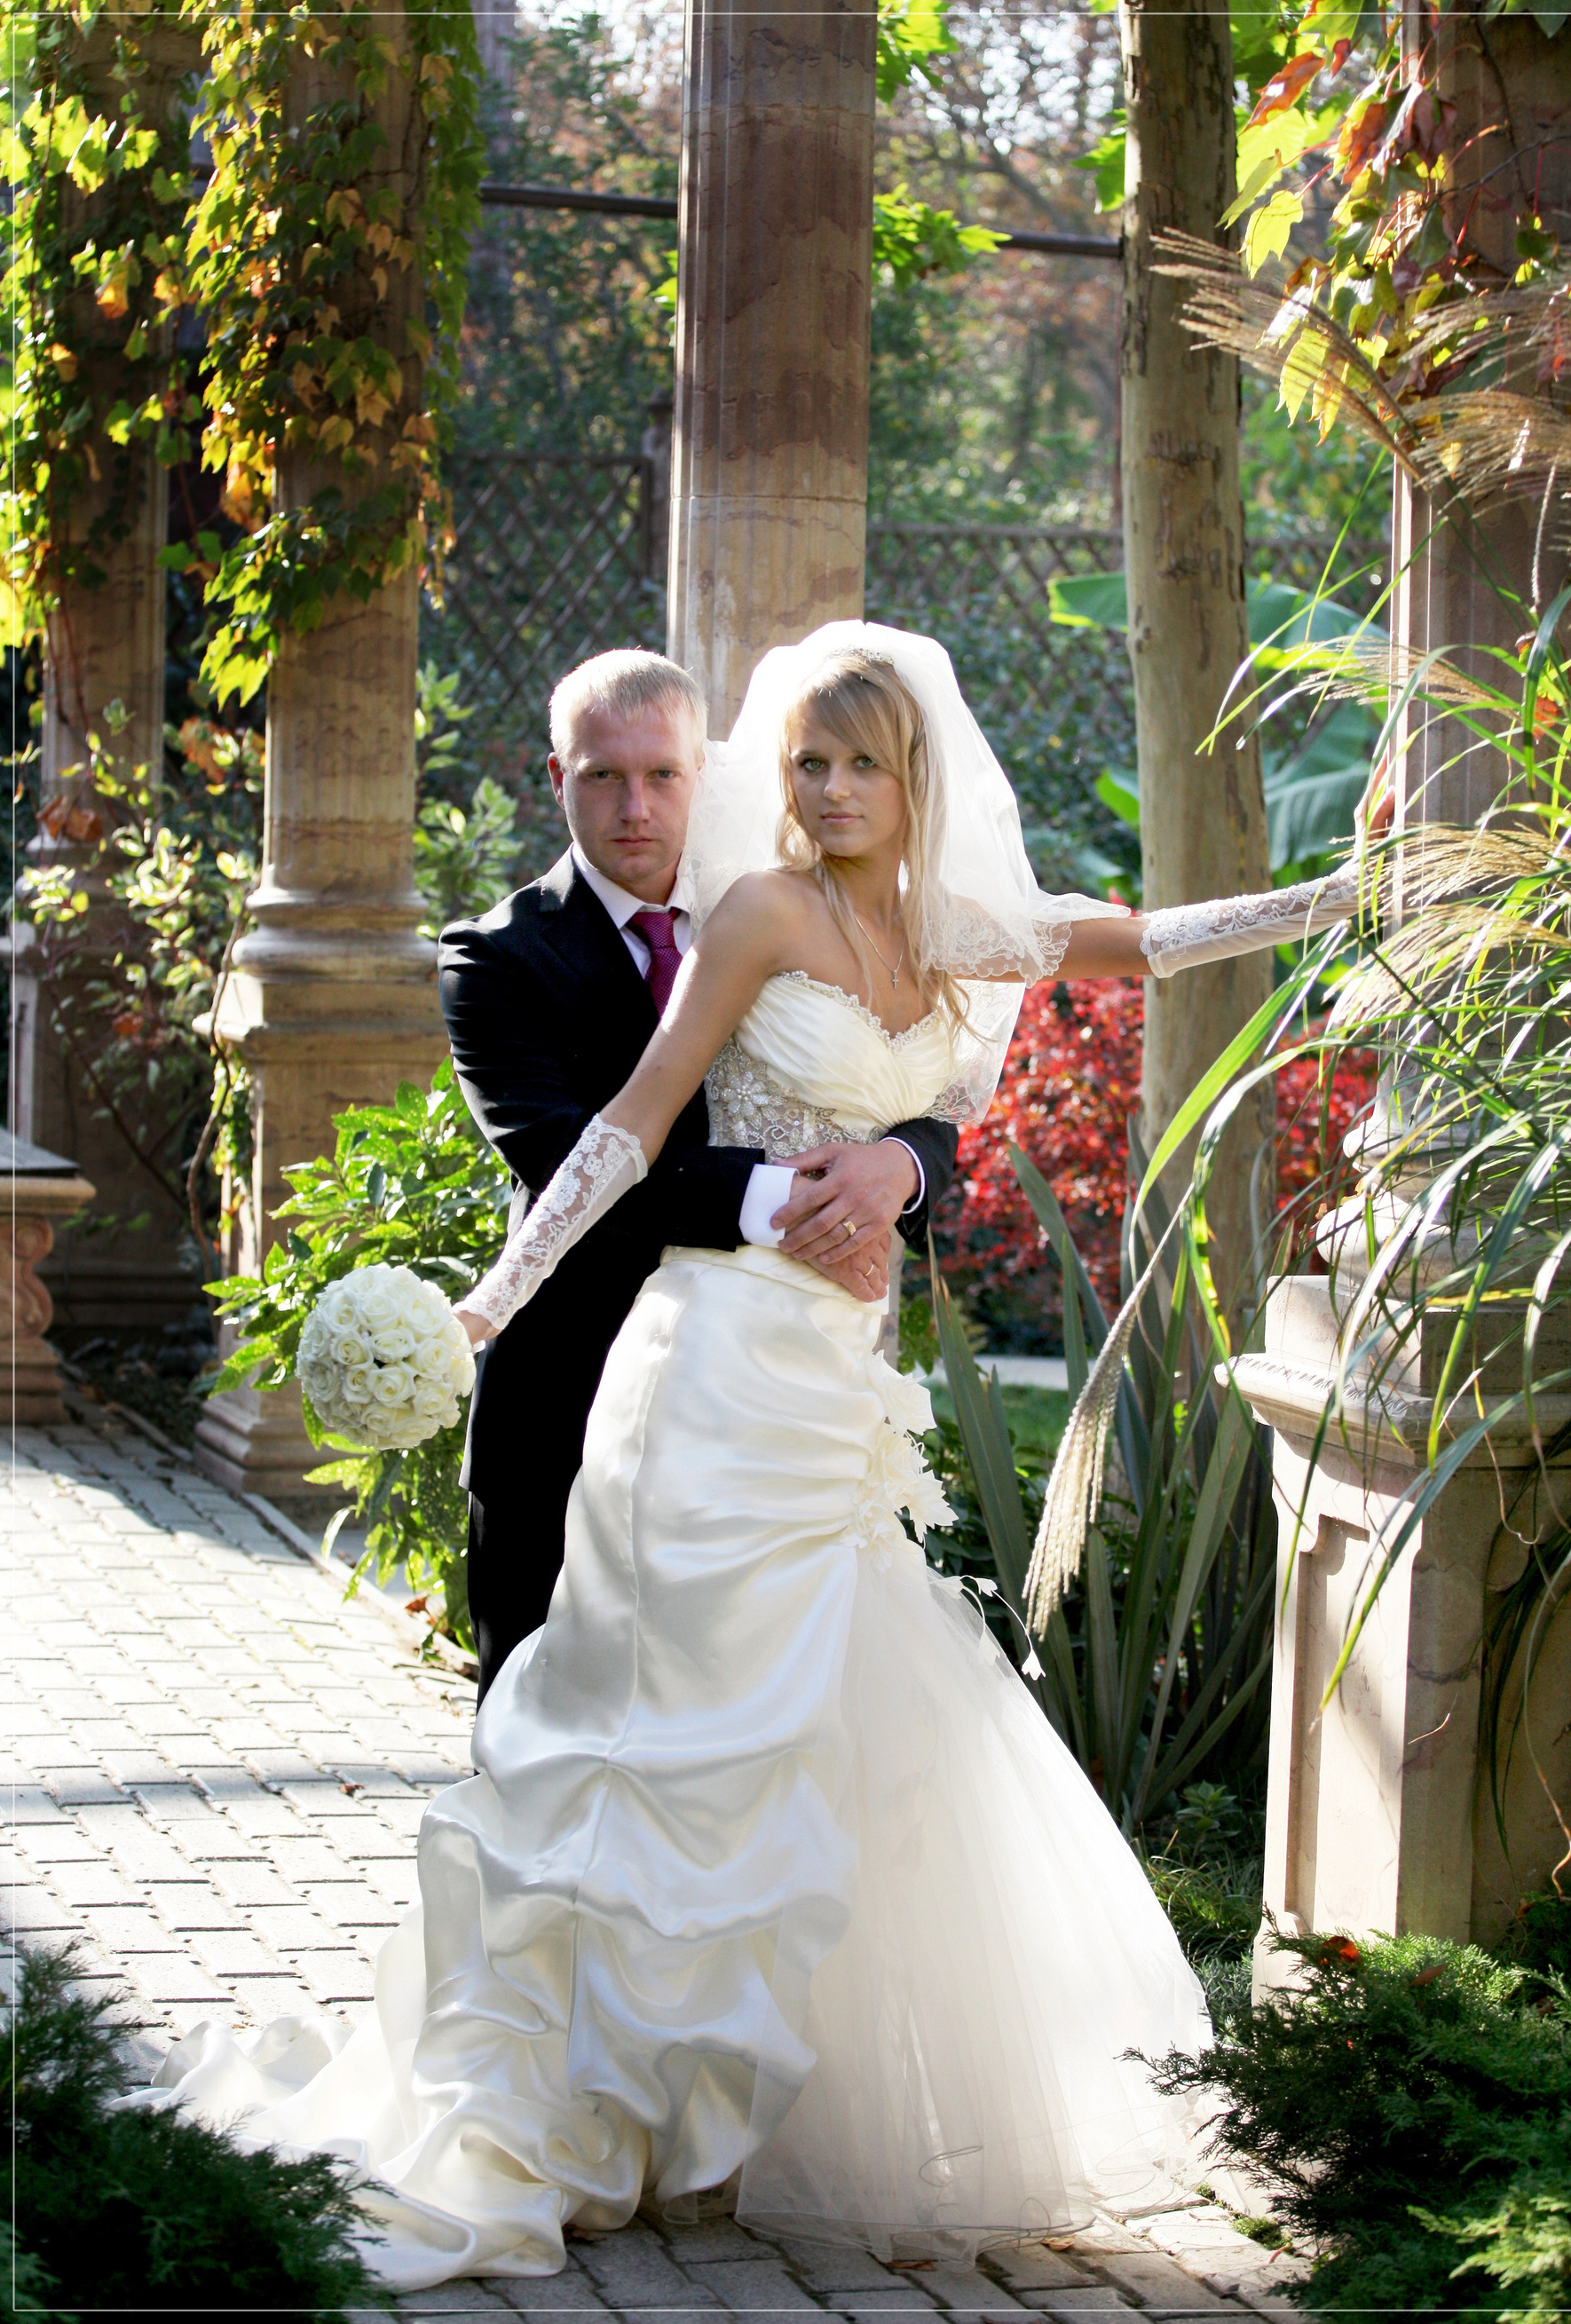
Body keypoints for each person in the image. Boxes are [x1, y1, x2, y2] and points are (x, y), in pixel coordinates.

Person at [146, 625, 1370, 2288]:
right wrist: (490, 1302)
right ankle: (585, 2099)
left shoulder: (949, 931)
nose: (833, 789)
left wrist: (1341, 893)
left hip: (837, 1393)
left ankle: (745, 2123)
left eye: (864, 763)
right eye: (808, 762)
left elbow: (1141, 941)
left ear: (915, 779)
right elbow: (632, 1120)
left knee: (812, 1736)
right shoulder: (760, 914)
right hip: (714, 1368)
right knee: (661, 1731)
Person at [438, 651, 960, 1695]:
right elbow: (565, 1153)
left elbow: (907, 1089)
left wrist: (897, 1164)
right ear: (559, 776)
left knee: (769, 1692)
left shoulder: (788, 902)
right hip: (571, 1388)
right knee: (547, 1716)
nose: (636, 807)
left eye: (662, 775)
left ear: (704, 777)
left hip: (775, 1394)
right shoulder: (494, 958)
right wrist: (801, 1204)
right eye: (603, 776)